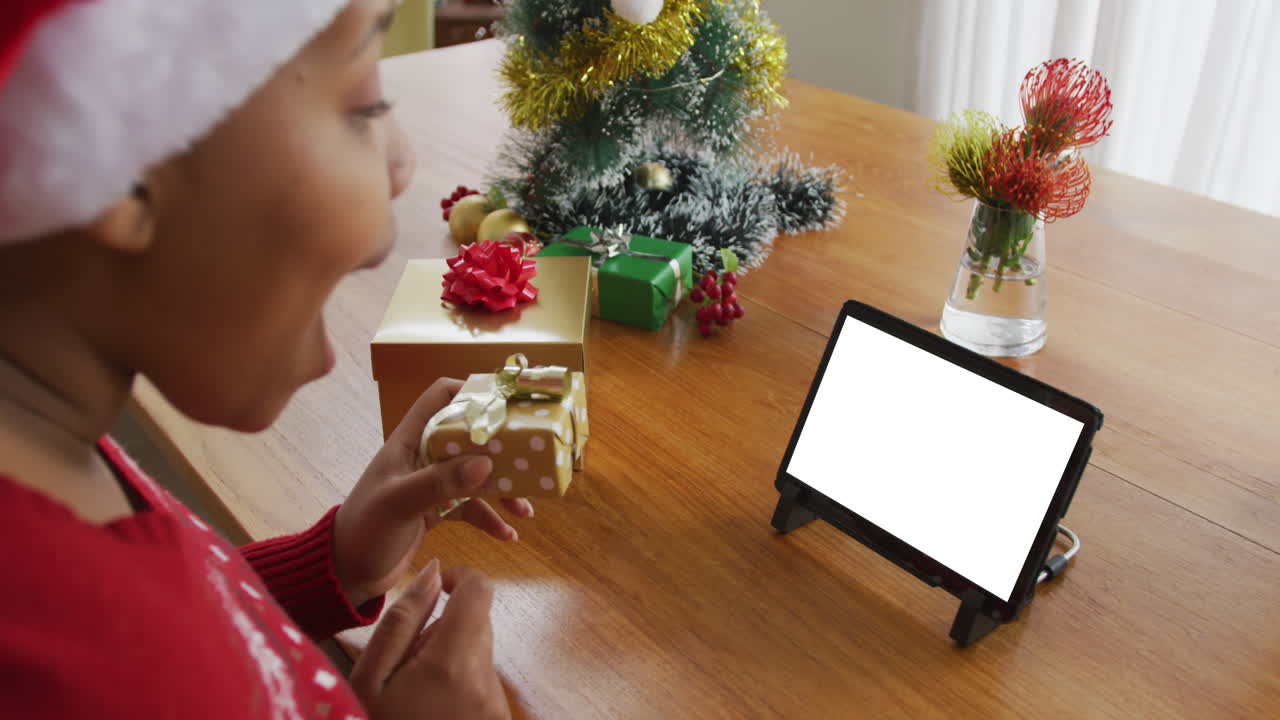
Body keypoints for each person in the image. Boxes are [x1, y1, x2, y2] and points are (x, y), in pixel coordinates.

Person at [0, 1, 532, 717]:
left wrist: (333, 562)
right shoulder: (92, 671)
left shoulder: (49, 462)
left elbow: (180, 634)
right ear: (122, 165)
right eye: (364, 106)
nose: (403, 162)